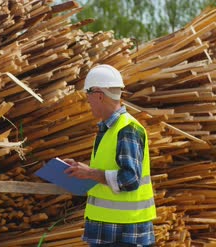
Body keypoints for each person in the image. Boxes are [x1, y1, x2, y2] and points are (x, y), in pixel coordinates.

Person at [64, 64, 156, 247]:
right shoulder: (109, 129)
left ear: (99, 95)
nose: (87, 101)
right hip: (108, 233)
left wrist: (90, 173)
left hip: (126, 235)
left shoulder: (127, 129)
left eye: (88, 94)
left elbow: (130, 179)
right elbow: (106, 171)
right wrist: (80, 170)